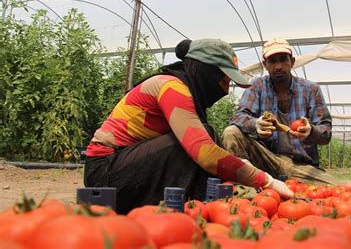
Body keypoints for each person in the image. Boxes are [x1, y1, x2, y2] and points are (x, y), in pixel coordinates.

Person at [84, 39, 293, 214]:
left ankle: (195, 208)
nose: (226, 90)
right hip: (106, 170)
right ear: (206, 71)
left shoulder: (180, 86)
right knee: (192, 146)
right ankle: (189, 210)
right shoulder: (171, 87)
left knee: (204, 135)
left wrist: (237, 166)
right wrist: (265, 180)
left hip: (125, 164)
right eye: (224, 80)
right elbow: (204, 152)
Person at [222, 38, 334, 184]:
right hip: (266, 160)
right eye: (272, 61)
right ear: (265, 65)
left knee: (339, 189)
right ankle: (237, 188)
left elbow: (326, 132)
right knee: (231, 133)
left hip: (300, 167)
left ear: (292, 62)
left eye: (283, 60)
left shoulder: (310, 90)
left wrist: (310, 131)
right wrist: (256, 124)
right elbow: (238, 117)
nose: (278, 66)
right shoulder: (257, 87)